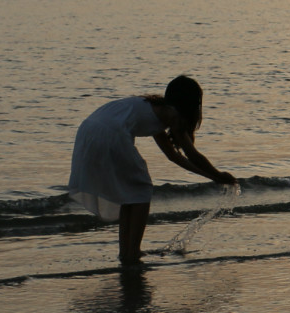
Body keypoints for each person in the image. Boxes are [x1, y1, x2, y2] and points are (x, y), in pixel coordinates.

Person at [69, 75, 237, 264]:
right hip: (110, 133)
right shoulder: (174, 116)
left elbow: (173, 156)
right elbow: (192, 154)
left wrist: (210, 176)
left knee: (131, 193)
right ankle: (132, 252)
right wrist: (218, 174)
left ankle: (126, 252)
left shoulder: (157, 110)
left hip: (89, 130)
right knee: (141, 188)